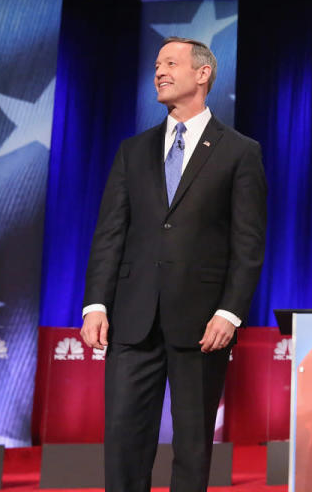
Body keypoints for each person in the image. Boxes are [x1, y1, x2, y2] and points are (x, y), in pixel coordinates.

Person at [79, 37, 266, 492]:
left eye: (170, 63)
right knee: (123, 439)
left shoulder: (240, 151)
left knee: (193, 444)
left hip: (202, 322)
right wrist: (95, 305)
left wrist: (230, 312)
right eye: (157, 64)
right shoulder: (133, 151)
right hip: (131, 316)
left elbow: (249, 241)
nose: (159, 72)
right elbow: (110, 233)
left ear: (202, 74)